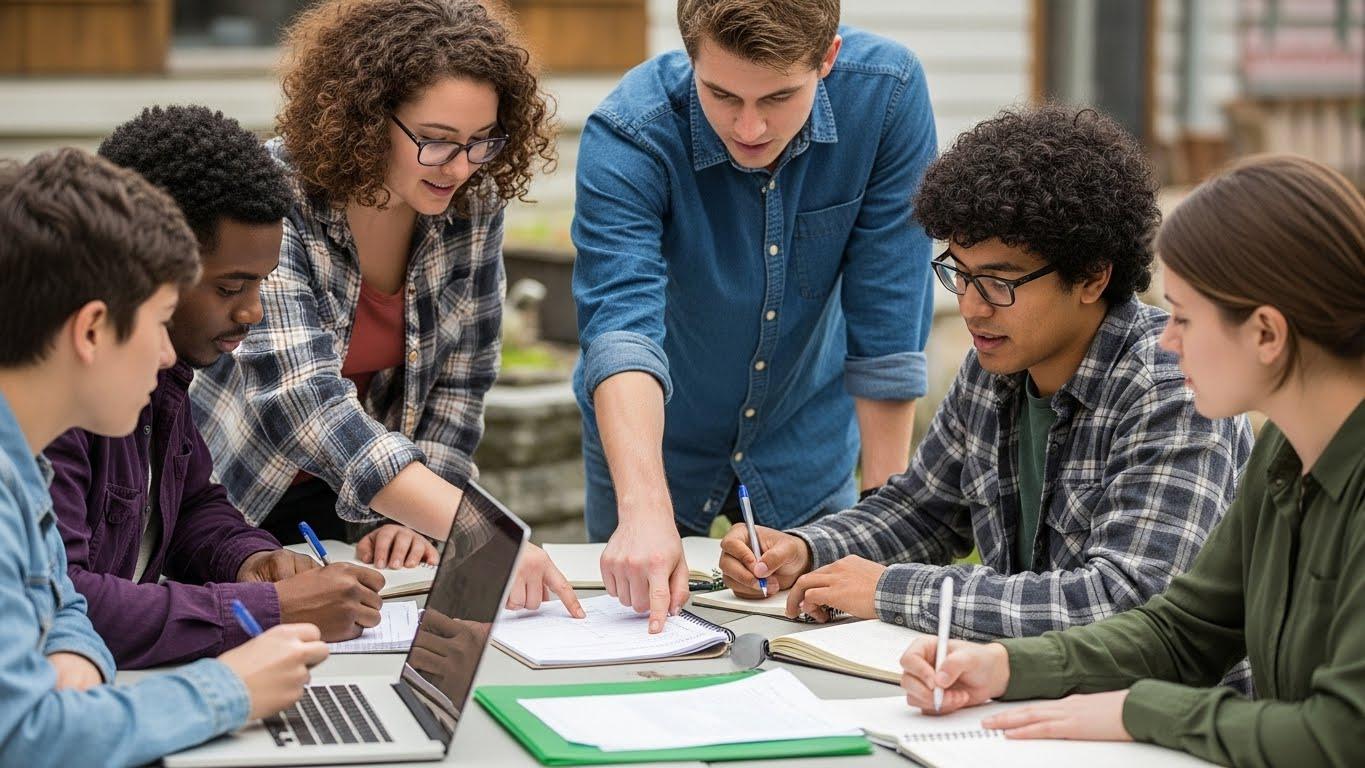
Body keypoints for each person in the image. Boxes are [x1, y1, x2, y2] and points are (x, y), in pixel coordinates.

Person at [719, 107, 1253, 664]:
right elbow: (923, 510)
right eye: (960, 272)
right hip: (1020, 690)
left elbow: (1125, 602)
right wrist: (805, 549)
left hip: (1155, 708)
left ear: (1093, 276)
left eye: (998, 282)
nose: (972, 307)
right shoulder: (994, 367)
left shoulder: (1174, 389)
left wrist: (892, 590)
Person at [897, 154, 1365, 767]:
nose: (1168, 338)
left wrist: (1135, 711)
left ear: (1267, 334)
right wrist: (1004, 666)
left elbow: (1342, 733)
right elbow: (1183, 630)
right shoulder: (1286, 448)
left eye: (1185, 318)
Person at [190, 0, 581, 613]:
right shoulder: (274, 195)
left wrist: (417, 516)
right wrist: (475, 527)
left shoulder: (472, 204)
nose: (460, 167)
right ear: (369, 119)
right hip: (232, 499)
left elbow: (461, 381)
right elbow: (300, 399)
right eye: (437, 141)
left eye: (481, 141)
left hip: (371, 496)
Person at [573, 0, 938, 632]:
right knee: (636, 635)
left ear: (827, 58)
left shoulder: (886, 96)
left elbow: (889, 316)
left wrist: (886, 521)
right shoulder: (629, 131)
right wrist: (644, 508)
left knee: (826, 643)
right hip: (651, 444)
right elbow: (621, 329)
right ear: (691, 55)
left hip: (805, 435)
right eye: (721, 95)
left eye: (777, 98)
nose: (749, 127)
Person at [0, 148, 327, 768]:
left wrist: (74, 658)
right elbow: (25, 736)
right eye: (158, 323)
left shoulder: (25, 464)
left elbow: (60, 598)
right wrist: (229, 689)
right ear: (91, 330)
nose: (165, 355)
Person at [42, 106, 386, 669]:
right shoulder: (50, 403)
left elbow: (188, 504)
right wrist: (271, 610)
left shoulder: (165, 370)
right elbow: (64, 603)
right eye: (230, 288)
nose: (253, 311)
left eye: (260, 284)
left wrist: (248, 559)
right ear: (149, 268)